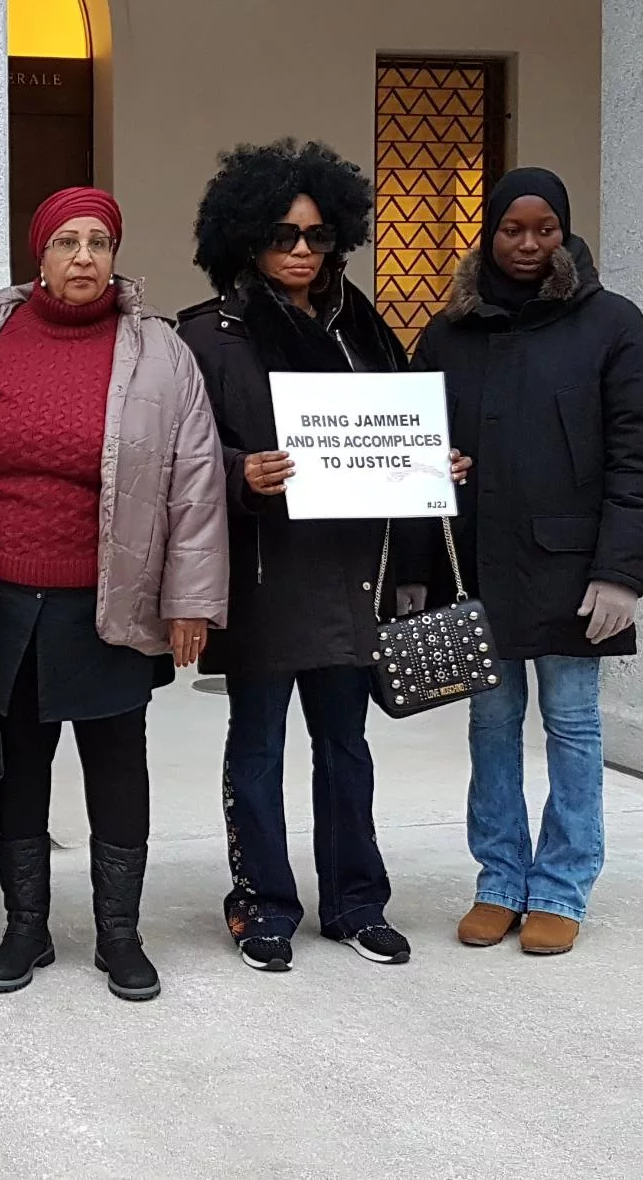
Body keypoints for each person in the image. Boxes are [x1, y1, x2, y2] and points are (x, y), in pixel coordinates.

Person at [177, 139, 469, 974]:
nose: (300, 250)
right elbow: (183, 457)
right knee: (259, 746)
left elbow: (395, 429)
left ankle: (354, 902)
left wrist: (431, 463)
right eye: (281, 235)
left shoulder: (365, 327)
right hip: (268, 578)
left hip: (354, 578)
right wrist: (241, 474)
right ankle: (262, 903)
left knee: (347, 746)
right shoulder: (209, 338)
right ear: (244, 239)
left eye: (314, 235)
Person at [0, 186, 227, 1001]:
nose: (84, 259)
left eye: (99, 242)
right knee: (20, 765)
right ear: (41, 252)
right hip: (6, 598)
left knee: (115, 763)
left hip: (114, 598)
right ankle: (25, 927)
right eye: (66, 241)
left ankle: (119, 934)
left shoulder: (159, 351)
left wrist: (191, 599)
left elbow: (197, 482)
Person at [413, 167, 643, 957]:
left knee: (571, 722)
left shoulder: (613, 325)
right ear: (489, 234)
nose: (528, 244)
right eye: (512, 229)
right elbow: (412, 447)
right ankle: (500, 879)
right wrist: (434, 490)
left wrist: (622, 573)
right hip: (480, 568)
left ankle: (562, 885)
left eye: (544, 229)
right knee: (491, 722)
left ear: (564, 232)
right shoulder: (448, 332)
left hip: (575, 569)